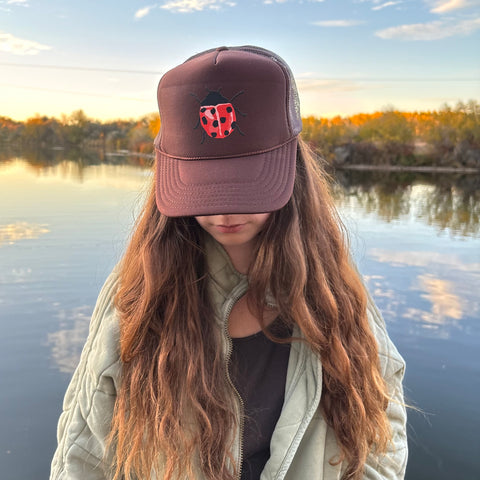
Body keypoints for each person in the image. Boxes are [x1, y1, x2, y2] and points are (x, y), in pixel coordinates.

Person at [50, 45, 407, 480]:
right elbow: (85, 447)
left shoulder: (335, 291)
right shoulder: (138, 293)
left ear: (293, 169)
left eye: (247, 181)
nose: (224, 212)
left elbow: (381, 430)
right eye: (204, 187)